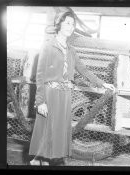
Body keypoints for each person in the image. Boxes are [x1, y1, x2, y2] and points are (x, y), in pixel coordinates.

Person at [29, 10, 115, 166]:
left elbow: (84, 70)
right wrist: (40, 101)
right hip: (50, 94)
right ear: (59, 24)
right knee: (47, 130)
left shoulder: (71, 50)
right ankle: (38, 160)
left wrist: (102, 83)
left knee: (58, 131)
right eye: (67, 22)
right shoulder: (47, 46)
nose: (70, 26)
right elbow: (40, 76)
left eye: (73, 24)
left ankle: (47, 160)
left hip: (65, 95)